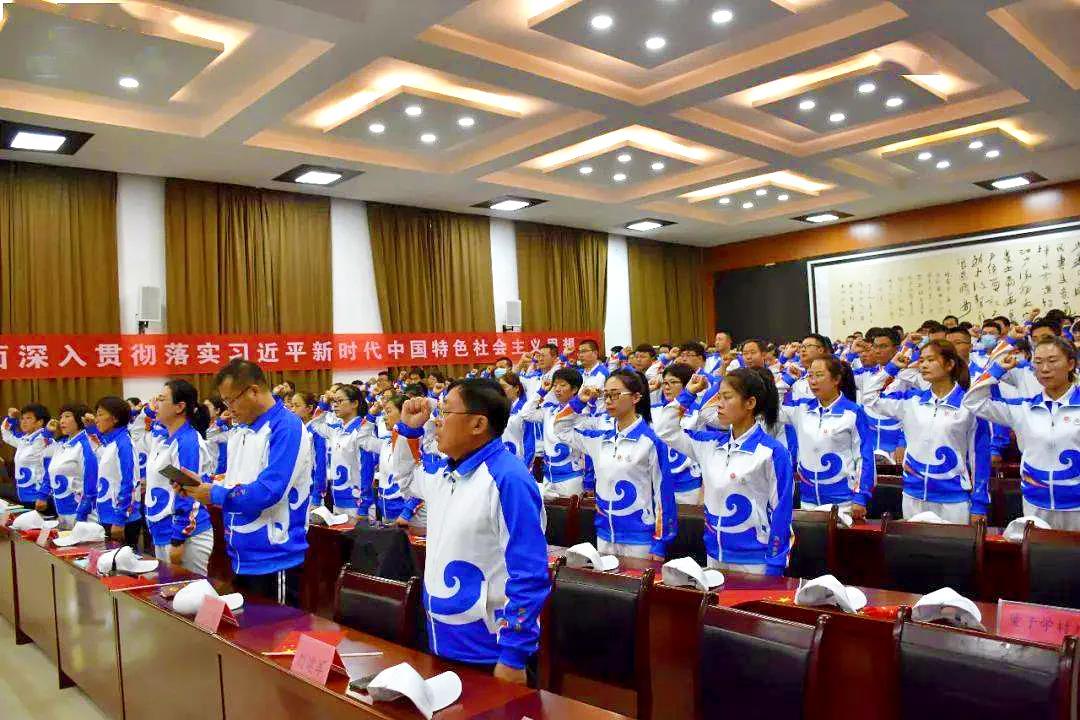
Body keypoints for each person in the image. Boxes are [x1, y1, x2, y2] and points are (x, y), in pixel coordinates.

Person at [391, 379, 549, 684]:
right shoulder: (446, 472)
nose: (436, 421)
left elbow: (529, 573)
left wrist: (513, 656)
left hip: (488, 650)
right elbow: (407, 480)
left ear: (478, 424)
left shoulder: (508, 479)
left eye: (446, 412)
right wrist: (408, 430)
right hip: (440, 638)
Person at [183, 360, 313, 606]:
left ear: (253, 391)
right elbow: (236, 480)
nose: (228, 409)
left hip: (275, 556)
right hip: (240, 553)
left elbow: (269, 491)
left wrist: (214, 494)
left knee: (276, 629)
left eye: (231, 400)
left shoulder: (286, 427)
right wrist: (202, 486)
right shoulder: (240, 429)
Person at [655, 367, 794, 575]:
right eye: (718, 397)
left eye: (727, 397)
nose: (719, 404)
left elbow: (781, 511)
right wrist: (688, 394)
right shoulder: (709, 444)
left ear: (750, 403)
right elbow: (665, 430)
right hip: (714, 555)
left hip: (755, 560)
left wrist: (775, 564)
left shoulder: (772, 452)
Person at [861, 340, 991, 523]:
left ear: (949, 364)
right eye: (921, 360)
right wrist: (891, 368)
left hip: (953, 499)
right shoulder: (911, 401)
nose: (923, 365)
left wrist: (979, 504)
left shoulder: (969, 405)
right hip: (912, 495)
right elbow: (869, 398)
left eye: (931, 360)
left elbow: (980, 456)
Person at [554, 369, 677, 559]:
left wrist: (660, 543)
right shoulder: (599, 440)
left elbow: (664, 495)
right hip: (604, 535)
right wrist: (579, 401)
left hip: (639, 539)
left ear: (636, 397)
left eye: (616, 394)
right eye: (606, 395)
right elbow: (561, 428)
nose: (609, 400)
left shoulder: (650, 442)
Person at [963, 337, 1080, 530]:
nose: (1044, 368)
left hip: (1077, 506)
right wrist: (997, 370)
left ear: (1071, 364)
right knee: (1038, 549)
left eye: (1052, 361)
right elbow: (973, 401)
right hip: (1035, 504)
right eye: (1038, 362)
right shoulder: (1023, 408)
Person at [778, 356, 875, 520]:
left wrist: (861, 495)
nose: (813, 381)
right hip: (808, 500)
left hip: (844, 502)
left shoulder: (853, 412)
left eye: (819, 375)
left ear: (836, 379)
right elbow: (769, 408)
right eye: (810, 375)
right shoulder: (801, 408)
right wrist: (787, 379)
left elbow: (864, 457)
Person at [146, 380, 215, 574]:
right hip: (162, 532)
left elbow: (189, 493)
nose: (155, 404)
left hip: (186, 537)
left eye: (161, 399)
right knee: (166, 591)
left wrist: (178, 539)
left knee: (190, 591)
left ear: (179, 407)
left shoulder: (188, 441)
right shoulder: (165, 439)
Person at [519, 367, 589, 496]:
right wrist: (541, 392)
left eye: (563, 385)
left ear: (574, 389)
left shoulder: (582, 413)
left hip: (571, 477)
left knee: (571, 509)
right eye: (555, 385)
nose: (557, 389)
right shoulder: (550, 410)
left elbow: (586, 446)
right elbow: (525, 414)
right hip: (548, 476)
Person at [357, 395, 423, 524]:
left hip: (406, 516)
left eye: (388, 411)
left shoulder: (415, 443)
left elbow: (421, 481)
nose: (384, 417)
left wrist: (406, 513)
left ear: (404, 413)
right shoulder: (386, 443)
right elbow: (362, 440)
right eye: (384, 413)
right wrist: (371, 415)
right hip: (385, 511)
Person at [85, 397, 143, 545]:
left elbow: (130, 482)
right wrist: (90, 429)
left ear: (115, 418)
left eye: (100, 414)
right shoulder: (111, 442)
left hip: (122, 520)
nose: (96, 419)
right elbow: (99, 446)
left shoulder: (124, 443)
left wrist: (120, 518)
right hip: (107, 515)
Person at [309, 384, 368, 518]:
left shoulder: (363, 429)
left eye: (340, 401)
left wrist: (363, 508)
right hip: (337, 500)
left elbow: (367, 470)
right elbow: (315, 424)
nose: (335, 405)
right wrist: (324, 404)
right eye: (334, 401)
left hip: (357, 503)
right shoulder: (336, 429)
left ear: (354, 403)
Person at [652, 363, 703, 504]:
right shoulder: (653, 411)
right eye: (664, 383)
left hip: (690, 485)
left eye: (673, 382)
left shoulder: (700, 414)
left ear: (687, 384)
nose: (667, 387)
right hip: (659, 484)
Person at [39, 404, 96, 529]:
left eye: (67, 416)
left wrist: (81, 515)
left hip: (84, 516)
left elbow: (91, 482)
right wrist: (47, 433)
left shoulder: (86, 444)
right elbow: (40, 454)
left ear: (80, 419)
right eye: (61, 417)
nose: (62, 421)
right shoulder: (61, 444)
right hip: (62, 512)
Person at [3, 403, 52, 506]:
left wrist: (43, 496)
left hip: (38, 497)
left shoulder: (44, 441)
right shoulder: (25, 440)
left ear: (40, 422)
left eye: (28, 418)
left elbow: (50, 471)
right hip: (23, 494)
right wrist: (11, 418)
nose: (23, 422)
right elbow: (7, 435)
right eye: (22, 418)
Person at [288, 392, 328, 510]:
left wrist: (317, 495)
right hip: (295, 489)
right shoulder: (296, 429)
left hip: (311, 491)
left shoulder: (316, 431)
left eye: (297, 406)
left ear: (309, 408)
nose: (292, 410)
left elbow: (321, 463)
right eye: (292, 406)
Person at [498, 371, 535, 465]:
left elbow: (529, 439)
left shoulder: (524, 410)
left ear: (516, 388)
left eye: (504, 387)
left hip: (521, 460)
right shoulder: (503, 408)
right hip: (506, 459)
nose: (500, 391)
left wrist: (527, 465)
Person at [203, 396, 231, 476]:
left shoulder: (223, 428)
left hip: (216, 474)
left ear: (217, 410)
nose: (204, 410)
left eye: (207, 407)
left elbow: (208, 436)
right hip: (206, 473)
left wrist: (219, 422)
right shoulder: (204, 426)